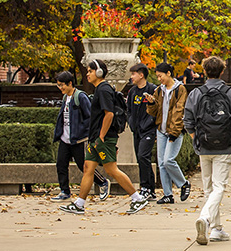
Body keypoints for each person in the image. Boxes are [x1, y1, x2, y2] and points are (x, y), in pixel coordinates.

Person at [59, 60, 146, 216]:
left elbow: (109, 114)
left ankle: (137, 198)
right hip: (96, 139)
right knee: (88, 169)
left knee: (111, 170)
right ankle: (79, 204)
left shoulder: (103, 90)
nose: (87, 74)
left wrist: (101, 136)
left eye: (90, 71)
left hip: (103, 139)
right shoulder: (99, 89)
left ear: (98, 72)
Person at [184, 55, 231, 245]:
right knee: (219, 186)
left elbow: (188, 121)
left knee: (208, 188)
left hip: (204, 146)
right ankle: (206, 218)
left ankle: (216, 229)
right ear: (222, 71)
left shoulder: (196, 93)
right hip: (225, 146)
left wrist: (196, 139)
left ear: (204, 71)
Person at [50, 71, 109, 203]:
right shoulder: (65, 98)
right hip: (65, 138)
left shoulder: (80, 97)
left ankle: (102, 182)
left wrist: (85, 133)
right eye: (58, 85)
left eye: (62, 85)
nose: (60, 88)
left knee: (83, 165)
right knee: (61, 164)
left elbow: (90, 117)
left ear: (70, 83)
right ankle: (64, 191)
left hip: (79, 139)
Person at [145, 62, 191, 205]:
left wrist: (174, 132)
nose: (159, 79)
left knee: (168, 160)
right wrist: (151, 103)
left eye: (160, 76)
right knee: (161, 164)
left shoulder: (180, 90)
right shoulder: (159, 90)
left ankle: (183, 183)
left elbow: (179, 111)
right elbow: (154, 112)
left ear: (168, 73)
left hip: (174, 131)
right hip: (161, 130)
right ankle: (167, 195)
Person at [126, 63, 157, 199]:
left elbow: (157, 109)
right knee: (142, 159)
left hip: (148, 130)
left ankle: (145, 187)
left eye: (133, 74)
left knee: (143, 155)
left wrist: (152, 125)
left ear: (141, 75)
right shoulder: (132, 92)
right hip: (137, 130)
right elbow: (128, 110)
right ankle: (150, 189)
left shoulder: (152, 89)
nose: (131, 77)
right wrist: (131, 122)